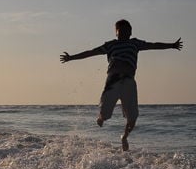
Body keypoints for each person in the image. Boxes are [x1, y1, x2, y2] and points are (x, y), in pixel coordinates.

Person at [60, 19, 183, 151]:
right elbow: (91, 52)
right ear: (116, 33)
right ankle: (101, 117)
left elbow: (154, 45)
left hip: (129, 82)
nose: (124, 33)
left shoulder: (135, 43)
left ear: (130, 32)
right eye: (120, 31)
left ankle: (124, 137)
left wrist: (172, 45)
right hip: (113, 81)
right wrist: (71, 57)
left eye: (126, 30)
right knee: (105, 114)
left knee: (133, 117)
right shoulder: (110, 45)